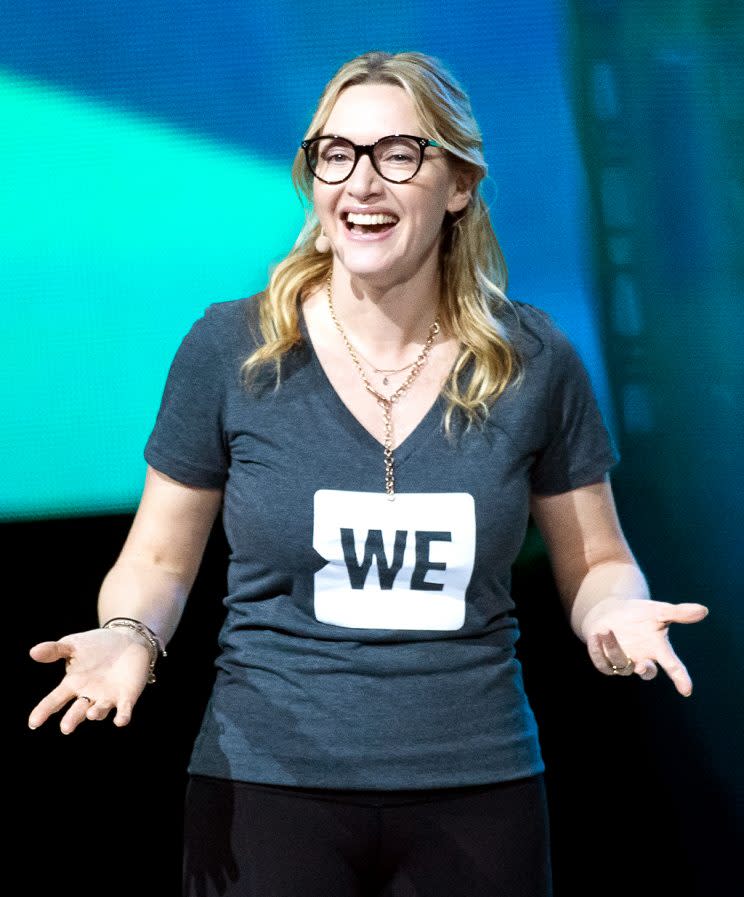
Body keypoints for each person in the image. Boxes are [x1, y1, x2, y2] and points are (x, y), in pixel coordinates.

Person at [28, 50, 709, 897]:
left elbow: (597, 561)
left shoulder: (534, 361)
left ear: (457, 183)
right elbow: (161, 560)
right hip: (266, 792)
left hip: (479, 792)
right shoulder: (230, 350)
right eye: (337, 155)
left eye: (399, 154)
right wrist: (131, 633)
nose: (363, 182)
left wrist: (616, 614)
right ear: (314, 182)